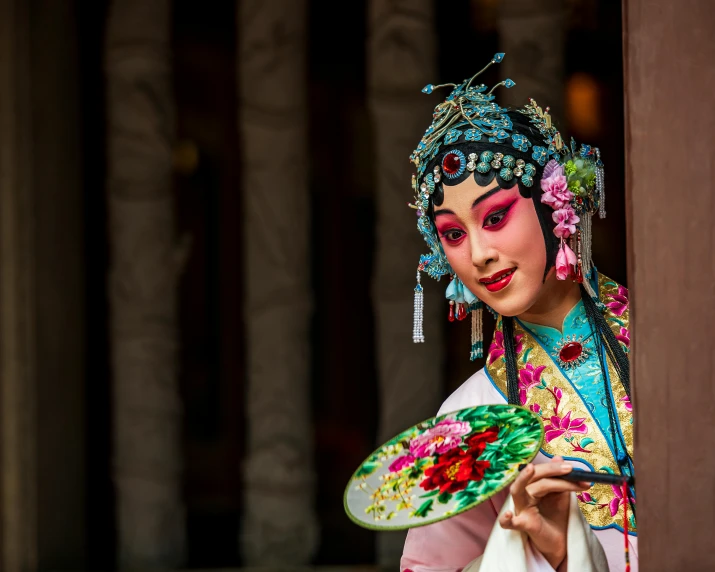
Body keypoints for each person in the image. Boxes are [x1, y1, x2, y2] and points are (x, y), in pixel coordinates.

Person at [401, 53, 635, 571]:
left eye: (497, 215)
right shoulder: (469, 420)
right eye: (454, 234)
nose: (480, 254)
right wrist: (550, 552)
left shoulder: (674, 338)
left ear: (557, 203)